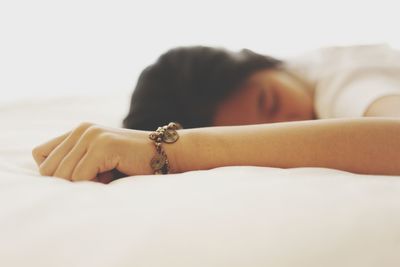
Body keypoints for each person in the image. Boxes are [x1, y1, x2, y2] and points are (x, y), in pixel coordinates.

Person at [32, 44, 400, 183]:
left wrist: (169, 150)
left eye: (267, 103)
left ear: (256, 60)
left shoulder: (345, 80)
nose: (286, 126)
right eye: (252, 133)